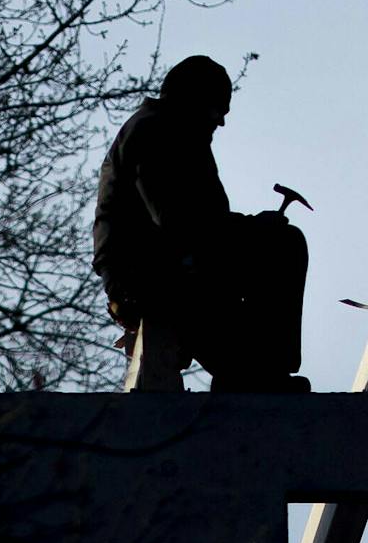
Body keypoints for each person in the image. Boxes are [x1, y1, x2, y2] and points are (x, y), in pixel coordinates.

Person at [93, 57, 309, 390]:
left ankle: (253, 369)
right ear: (191, 100)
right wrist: (254, 231)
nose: (221, 122)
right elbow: (180, 223)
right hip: (150, 274)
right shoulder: (156, 132)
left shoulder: (172, 134)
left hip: (165, 264)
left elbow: (201, 222)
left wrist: (249, 228)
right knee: (285, 245)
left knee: (269, 245)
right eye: (217, 109)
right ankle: (260, 371)